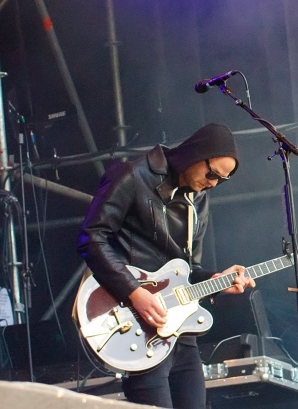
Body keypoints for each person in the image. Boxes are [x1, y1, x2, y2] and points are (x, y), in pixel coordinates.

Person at [77, 122, 256, 409]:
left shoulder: (198, 200)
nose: (212, 183)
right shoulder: (133, 175)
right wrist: (135, 292)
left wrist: (217, 278)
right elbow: (92, 238)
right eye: (211, 174)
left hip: (180, 333)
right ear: (196, 154)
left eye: (221, 180)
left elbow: (188, 269)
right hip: (136, 323)